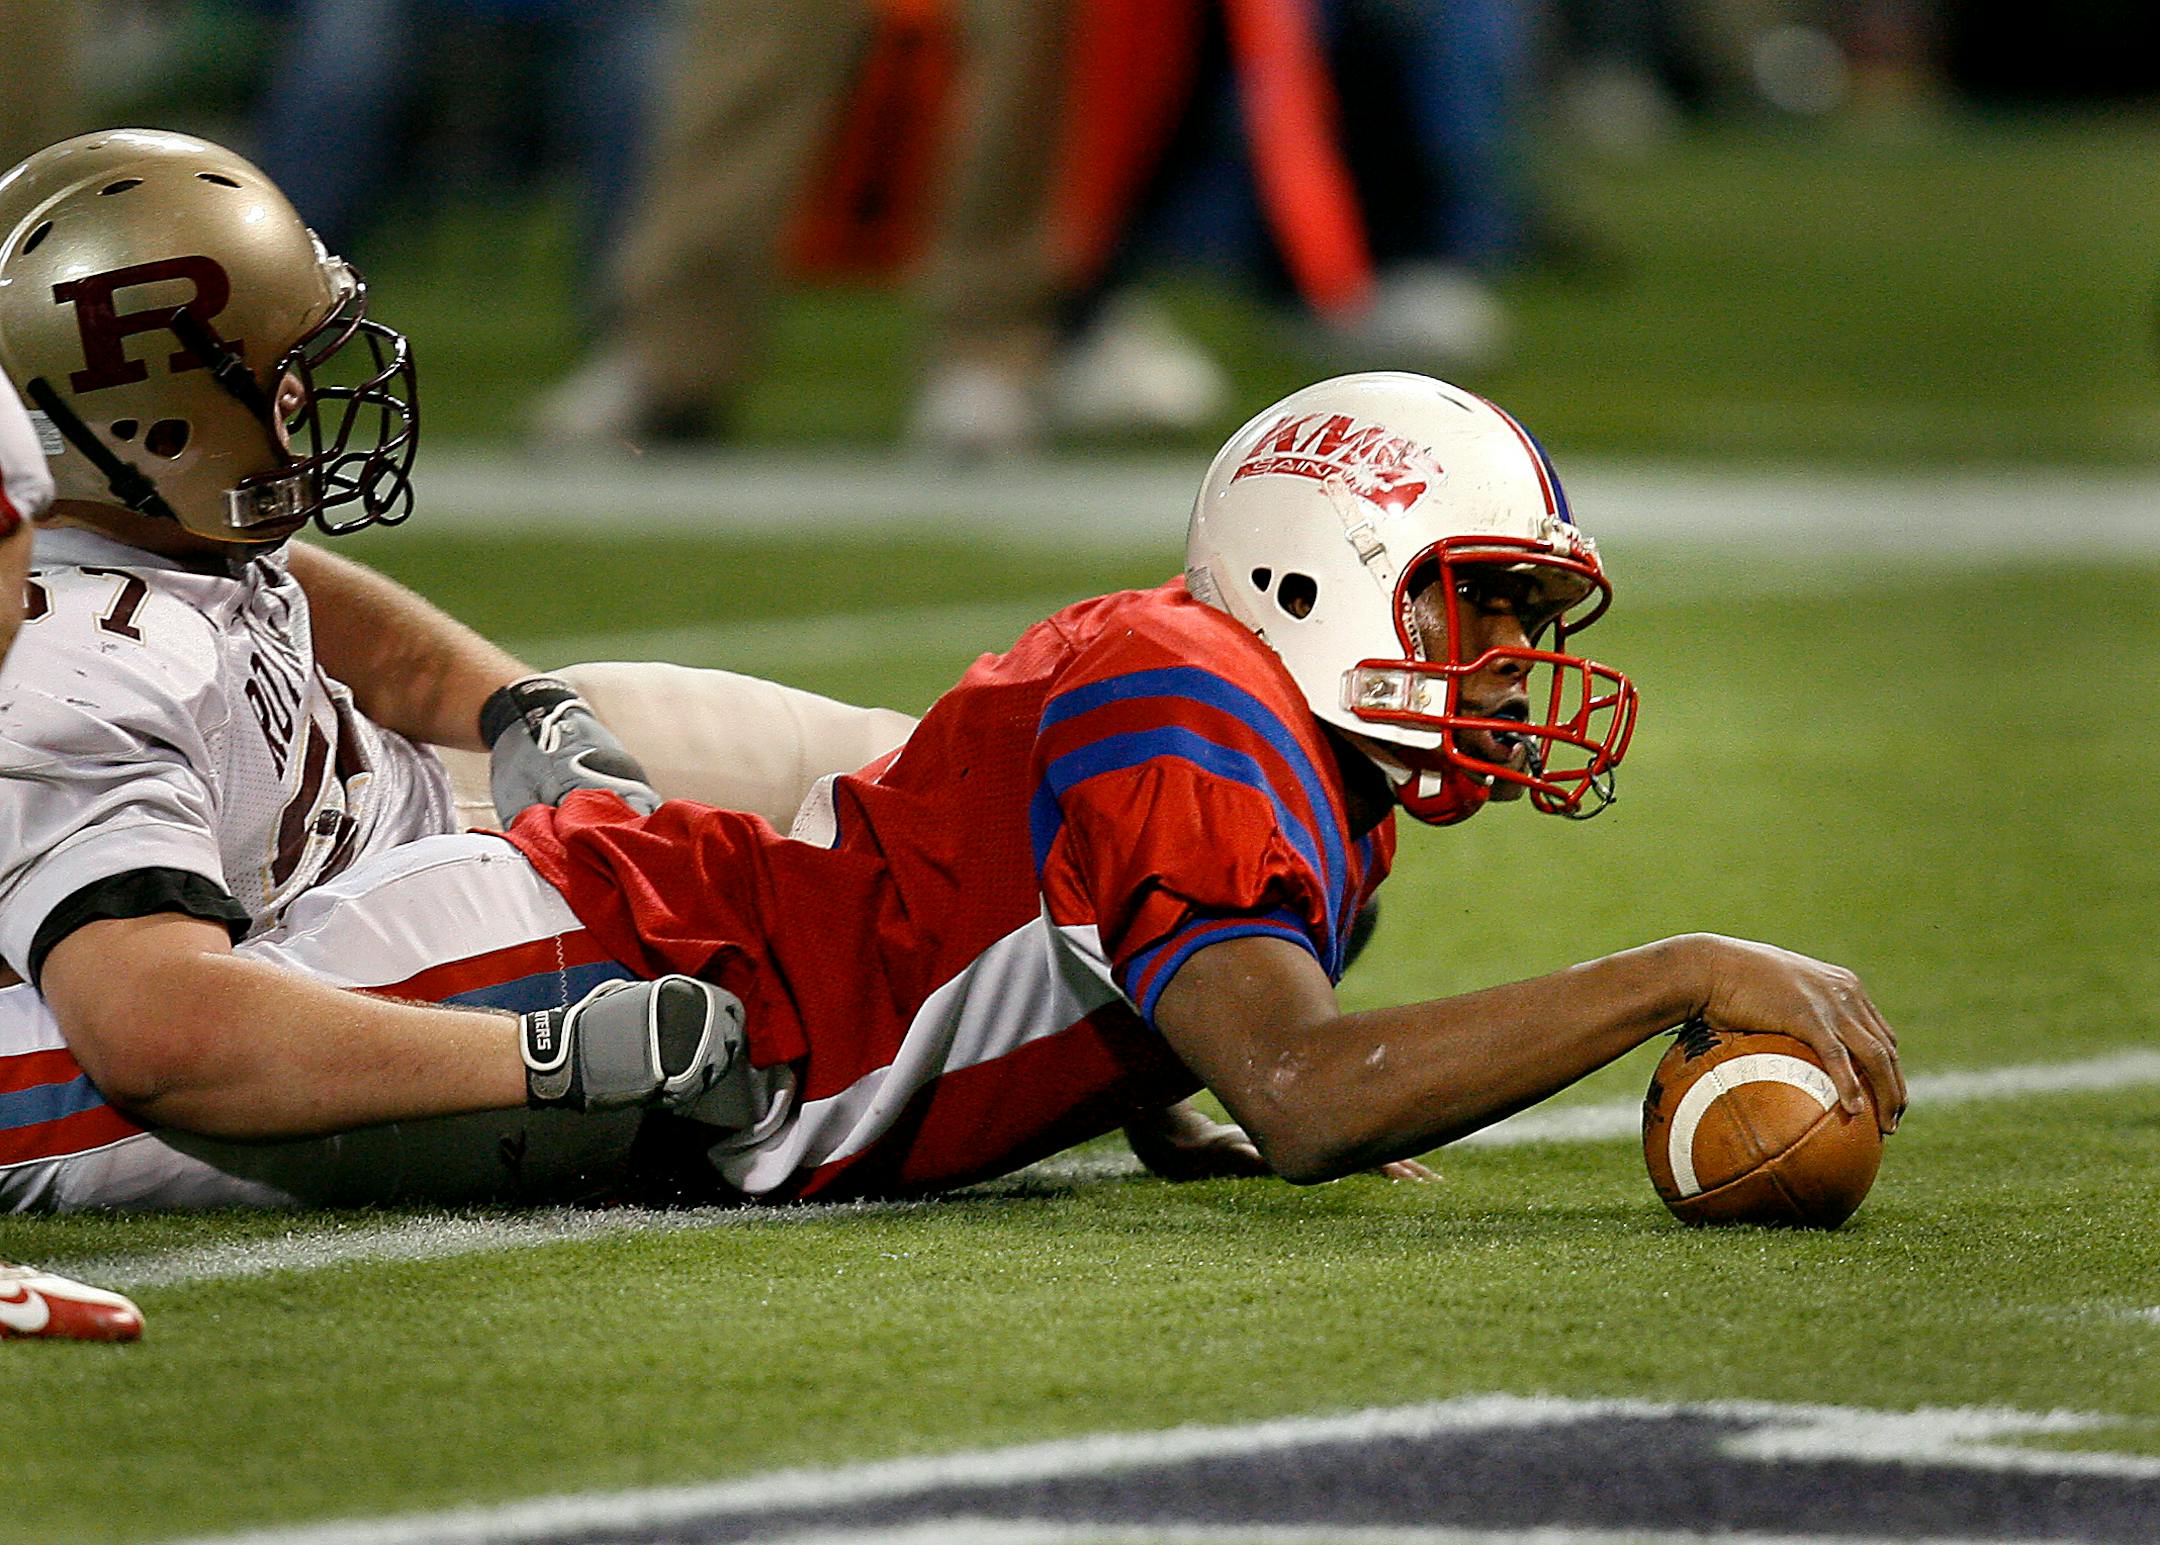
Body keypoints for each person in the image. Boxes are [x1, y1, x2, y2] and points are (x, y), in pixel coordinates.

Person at [0, 372, 1903, 1213]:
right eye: (1475, 604)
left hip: (684, 963)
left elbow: (1071, 919)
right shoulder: (1196, 701)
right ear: (1324, 572)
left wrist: (1148, 1077)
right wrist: (1675, 969)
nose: (1501, 662)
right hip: (606, 963)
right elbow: (1313, 1093)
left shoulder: (1275, 746)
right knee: (60, 1100)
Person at [0, 128, 1234, 1212]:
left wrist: (512, 703)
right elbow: (161, 1032)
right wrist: (550, 1058)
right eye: (278, 370)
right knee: (831, 954)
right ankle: (1178, 1002)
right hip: (313, 968)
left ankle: (1153, 979)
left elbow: (286, 586)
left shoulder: (129, 525)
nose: (310, 392)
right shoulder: (66, 674)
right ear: (155, 421)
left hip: (389, 831)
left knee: (943, 776)